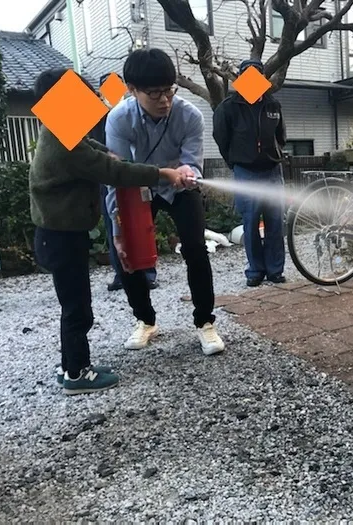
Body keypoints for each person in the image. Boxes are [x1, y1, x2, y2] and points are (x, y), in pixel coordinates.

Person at [29, 67, 194, 395]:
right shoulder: (64, 142)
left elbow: (93, 149)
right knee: (77, 308)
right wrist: (162, 172)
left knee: (73, 304)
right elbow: (111, 171)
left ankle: (71, 364)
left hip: (57, 234)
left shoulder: (58, 129)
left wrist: (106, 150)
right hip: (61, 237)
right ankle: (76, 374)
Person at [104, 48, 225, 356]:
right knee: (126, 253)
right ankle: (145, 320)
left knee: (196, 249)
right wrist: (118, 230)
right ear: (132, 90)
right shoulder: (118, 119)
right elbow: (116, 175)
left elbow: (193, 162)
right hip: (135, 189)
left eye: (169, 91)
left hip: (179, 188)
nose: (165, 100)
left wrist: (189, 171)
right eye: (154, 93)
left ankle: (205, 322)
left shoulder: (190, 115)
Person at [212, 59, 287, 287]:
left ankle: (275, 270)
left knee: (275, 222)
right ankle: (255, 270)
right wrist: (235, 161)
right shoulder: (228, 107)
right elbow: (221, 138)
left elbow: (281, 136)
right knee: (251, 223)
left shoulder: (273, 105)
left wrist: (274, 153)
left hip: (272, 170)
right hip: (246, 171)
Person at [93, 74, 158, 292]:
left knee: (143, 223)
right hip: (107, 176)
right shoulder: (94, 114)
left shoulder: (133, 111)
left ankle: (148, 272)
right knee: (115, 222)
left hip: (136, 174)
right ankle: (122, 272)